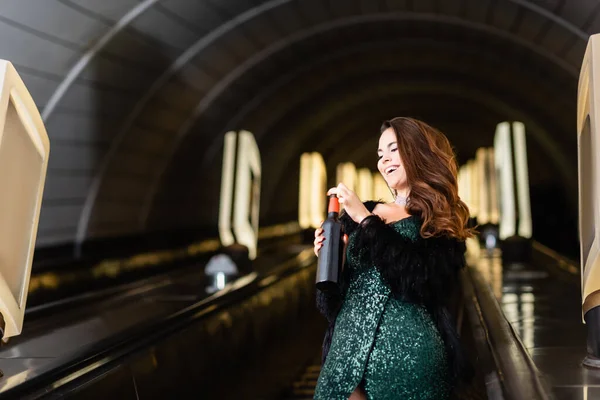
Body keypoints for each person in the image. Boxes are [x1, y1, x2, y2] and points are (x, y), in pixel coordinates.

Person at [313, 117, 474, 400]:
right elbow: (332, 305)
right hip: (345, 358)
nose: (384, 159)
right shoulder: (359, 215)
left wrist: (366, 219)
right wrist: (331, 264)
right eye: (379, 154)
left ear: (418, 152)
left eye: (393, 149)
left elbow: (420, 282)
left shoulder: (438, 222)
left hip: (410, 364)